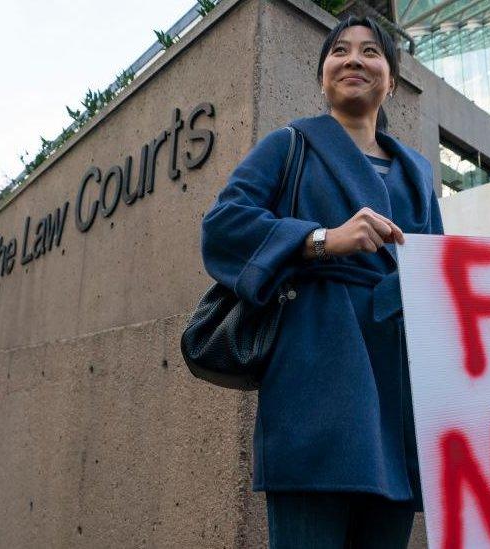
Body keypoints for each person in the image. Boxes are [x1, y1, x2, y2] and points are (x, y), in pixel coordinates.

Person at [200, 16, 443, 548]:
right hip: (316, 378)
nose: (354, 59)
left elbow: (435, 280)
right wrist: (320, 240)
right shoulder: (289, 144)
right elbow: (222, 227)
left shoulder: (418, 172)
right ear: (323, 76)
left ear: (391, 81)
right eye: (340, 50)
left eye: (371, 51)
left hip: (397, 392)